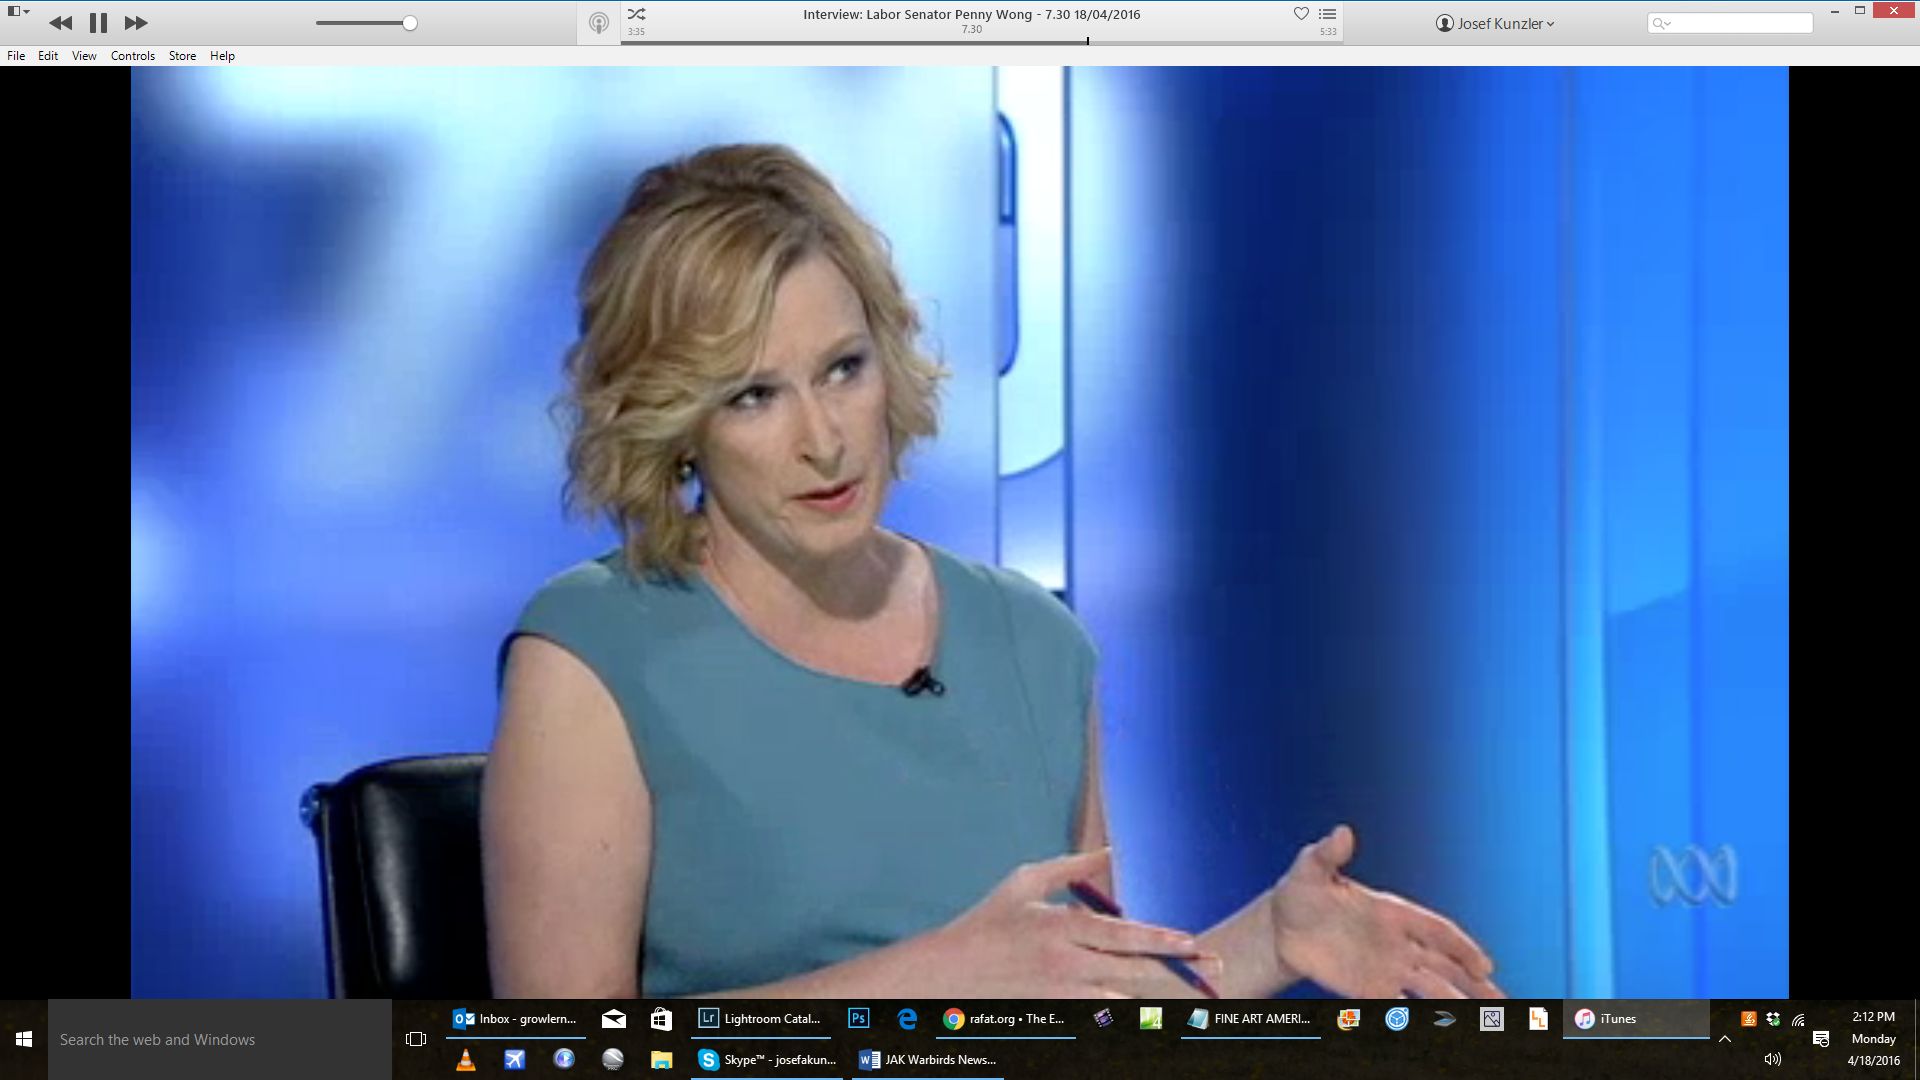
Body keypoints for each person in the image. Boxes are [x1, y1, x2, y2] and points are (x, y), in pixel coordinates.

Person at [481, 142, 1503, 1001]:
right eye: (754, 395)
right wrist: (935, 979)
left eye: (844, 368)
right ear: (677, 423)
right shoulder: (596, 652)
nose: (824, 439)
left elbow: (1088, 1007)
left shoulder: (1032, 640)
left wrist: (1266, 943)